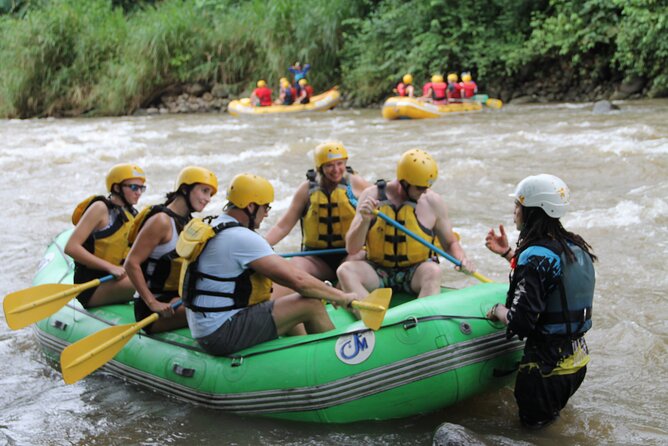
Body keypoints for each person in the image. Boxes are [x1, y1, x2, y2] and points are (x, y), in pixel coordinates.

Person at [182, 173, 356, 356]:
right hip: (221, 333)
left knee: (285, 291)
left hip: (207, 326)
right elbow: (299, 280)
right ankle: (336, 358)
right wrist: (340, 297)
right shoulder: (242, 237)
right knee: (311, 303)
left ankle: (302, 349)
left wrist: (323, 290)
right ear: (251, 206)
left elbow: (286, 280)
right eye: (265, 207)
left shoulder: (215, 223)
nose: (266, 213)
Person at [485, 174, 596, 429]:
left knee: (533, 434)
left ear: (533, 211)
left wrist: (498, 311)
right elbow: (551, 279)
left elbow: (521, 323)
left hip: (545, 370)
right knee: (549, 426)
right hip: (576, 363)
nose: (514, 212)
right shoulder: (572, 245)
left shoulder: (536, 255)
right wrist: (507, 253)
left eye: (518, 206)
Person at [337, 149, 474, 302]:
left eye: (426, 187)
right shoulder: (371, 196)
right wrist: (365, 221)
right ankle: (370, 318)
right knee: (345, 270)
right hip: (379, 270)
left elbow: (450, 243)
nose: (424, 192)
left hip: (415, 272)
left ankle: (422, 319)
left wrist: (462, 259)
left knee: (433, 271)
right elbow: (352, 248)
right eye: (419, 188)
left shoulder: (433, 202)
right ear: (404, 182)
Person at [265, 142, 371, 291]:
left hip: (349, 253)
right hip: (316, 258)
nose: (336, 170)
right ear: (320, 167)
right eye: (329, 166)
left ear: (345, 163)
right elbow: (283, 226)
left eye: (339, 164)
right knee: (295, 264)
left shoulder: (356, 183)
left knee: (358, 256)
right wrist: (261, 246)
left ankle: (338, 297)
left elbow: (381, 208)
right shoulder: (307, 189)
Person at [124, 166, 217, 334]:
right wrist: (153, 303)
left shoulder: (191, 224)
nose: (208, 198)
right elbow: (131, 263)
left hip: (176, 300)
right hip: (153, 308)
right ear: (184, 188)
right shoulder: (161, 221)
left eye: (210, 194)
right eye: (204, 191)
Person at [65, 163, 146, 308]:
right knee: (144, 281)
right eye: (134, 187)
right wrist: (110, 267)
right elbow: (71, 247)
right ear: (116, 188)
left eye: (141, 188)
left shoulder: (132, 214)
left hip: (115, 280)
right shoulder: (100, 208)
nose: (139, 192)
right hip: (92, 285)